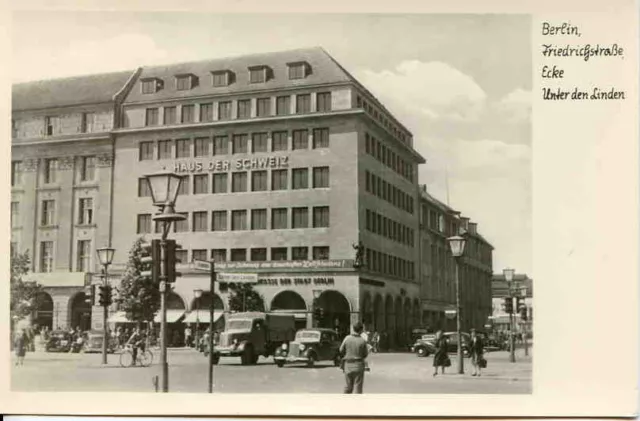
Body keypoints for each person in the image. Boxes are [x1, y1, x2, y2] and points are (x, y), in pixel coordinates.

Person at [339, 322, 369, 394]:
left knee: (348, 387)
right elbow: (365, 354)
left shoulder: (347, 338)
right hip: (358, 365)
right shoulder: (362, 340)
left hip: (348, 365)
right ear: (361, 330)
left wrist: (348, 354)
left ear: (353, 329)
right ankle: (357, 404)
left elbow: (341, 350)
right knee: (358, 388)